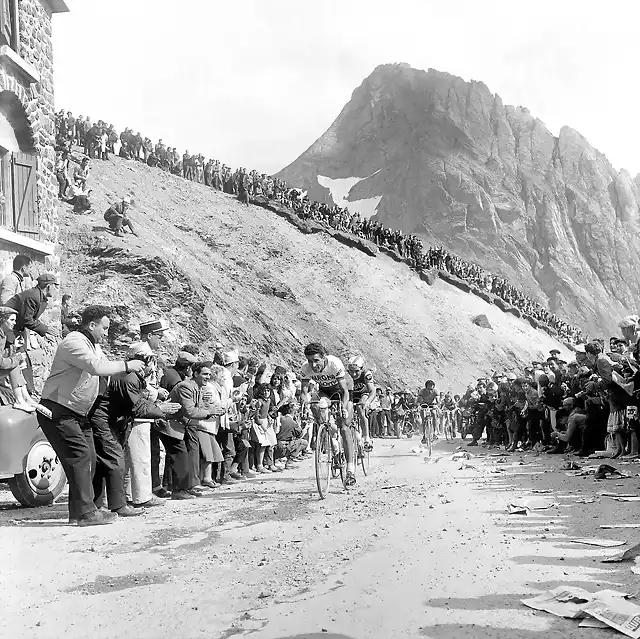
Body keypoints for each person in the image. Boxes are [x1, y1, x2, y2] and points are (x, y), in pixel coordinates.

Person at [36, 305, 146, 526]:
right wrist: (127, 365)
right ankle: (86, 514)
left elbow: (105, 368)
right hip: (58, 409)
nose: (106, 333)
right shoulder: (74, 342)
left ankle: (80, 513)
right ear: (92, 325)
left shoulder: (93, 346)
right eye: (104, 328)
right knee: (80, 457)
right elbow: (96, 367)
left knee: (90, 459)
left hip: (77, 413)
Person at [123, 319, 169, 508]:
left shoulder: (138, 349)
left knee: (133, 456)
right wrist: (155, 393)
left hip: (137, 407)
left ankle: (130, 495)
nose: (161, 340)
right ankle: (141, 496)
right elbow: (142, 381)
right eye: (159, 336)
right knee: (140, 455)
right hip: (140, 408)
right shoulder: (143, 352)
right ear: (149, 335)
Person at [300, 342, 356, 486]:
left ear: (324, 357)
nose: (313, 365)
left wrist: (343, 407)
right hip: (325, 391)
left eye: (316, 361)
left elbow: (344, 392)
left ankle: (350, 470)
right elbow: (304, 391)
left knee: (344, 427)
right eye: (310, 361)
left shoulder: (334, 364)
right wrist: (305, 403)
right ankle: (329, 436)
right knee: (315, 404)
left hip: (343, 390)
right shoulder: (306, 368)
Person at [0, 306, 37, 411]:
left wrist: (14, 347)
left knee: (18, 360)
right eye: (11, 320)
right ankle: (19, 400)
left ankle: (25, 396)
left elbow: (2, 353)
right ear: (2, 320)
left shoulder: (2, 334)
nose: (14, 323)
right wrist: (16, 359)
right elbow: (1, 362)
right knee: (14, 365)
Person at [347, 355, 376, 451]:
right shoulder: (345, 374)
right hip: (351, 395)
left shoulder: (366, 374)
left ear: (361, 368)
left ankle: (366, 438)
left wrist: (367, 402)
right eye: (351, 371)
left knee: (360, 408)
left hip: (363, 394)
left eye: (356, 371)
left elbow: (372, 391)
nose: (353, 374)